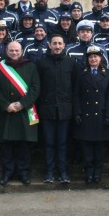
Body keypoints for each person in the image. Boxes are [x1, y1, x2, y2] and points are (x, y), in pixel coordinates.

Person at [0, 41, 40, 186]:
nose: (14, 53)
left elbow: (35, 88)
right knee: (6, 145)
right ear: (6, 51)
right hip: (6, 111)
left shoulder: (31, 66)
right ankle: (7, 173)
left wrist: (22, 104)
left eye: (17, 51)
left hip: (24, 111)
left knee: (24, 145)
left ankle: (23, 173)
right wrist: (6, 105)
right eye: (11, 50)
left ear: (22, 51)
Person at [36, 35, 79, 184]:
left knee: (62, 143)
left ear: (64, 45)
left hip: (65, 110)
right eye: (54, 43)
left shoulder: (71, 63)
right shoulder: (41, 63)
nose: (57, 46)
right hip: (47, 110)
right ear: (49, 45)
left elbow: (75, 87)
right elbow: (37, 86)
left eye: (60, 43)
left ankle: (63, 172)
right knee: (48, 143)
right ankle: (49, 172)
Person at [75, 45, 109, 184]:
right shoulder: (80, 73)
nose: (93, 59)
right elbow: (76, 95)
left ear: (101, 58)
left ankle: (97, 173)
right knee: (86, 148)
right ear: (87, 59)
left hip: (101, 116)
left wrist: (108, 115)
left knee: (99, 148)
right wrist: (77, 112)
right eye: (91, 57)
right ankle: (89, 172)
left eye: (96, 56)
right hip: (85, 116)